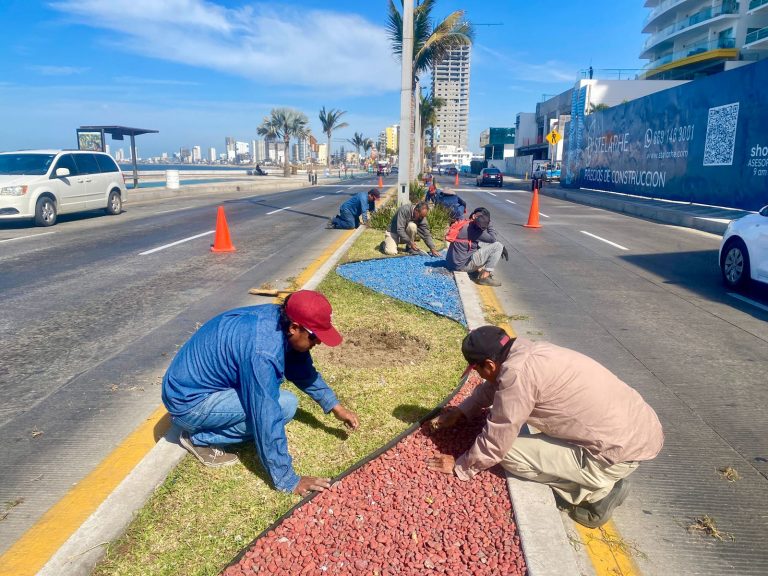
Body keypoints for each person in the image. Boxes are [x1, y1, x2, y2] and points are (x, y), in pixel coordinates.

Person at [427, 326, 664, 528]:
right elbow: (497, 384)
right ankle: (595, 478)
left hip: (617, 455)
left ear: (489, 364)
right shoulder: (527, 352)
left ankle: (598, 493)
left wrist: (461, 466)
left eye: (477, 370)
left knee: (507, 454)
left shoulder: (517, 374)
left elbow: (496, 442)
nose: (479, 375)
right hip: (639, 432)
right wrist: (462, 411)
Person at [162, 290, 359, 496]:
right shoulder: (262, 351)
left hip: (194, 387)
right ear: (294, 327)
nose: (318, 342)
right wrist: (288, 480)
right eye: (314, 337)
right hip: (189, 402)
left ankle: (204, 427)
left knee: (287, 403)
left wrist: (335, 407)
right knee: (281, 407)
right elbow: (266, 414)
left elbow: (300, 368)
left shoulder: (279, 319)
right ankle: (199, 437)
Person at [445, 207, 506, 287]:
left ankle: (476, 270)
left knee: (483, 244)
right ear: (474, 217)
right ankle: (484, 277)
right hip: (460, 266)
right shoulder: (474, 231)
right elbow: (493, 239)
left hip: (451, 263)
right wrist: (489, 224)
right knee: (498, 246)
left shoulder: (466, 224)